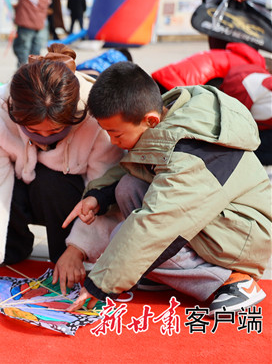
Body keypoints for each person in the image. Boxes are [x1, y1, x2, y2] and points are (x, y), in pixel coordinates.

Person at [65, 61, 271, 315]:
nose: (113, 141)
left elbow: (157, 225)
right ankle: (163, 272)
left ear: (150, 120)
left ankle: (233, 281)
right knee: (128, 186)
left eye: (116, 134)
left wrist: (100, 284)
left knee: (126, 235)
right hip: (222, 222)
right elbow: (137, 164)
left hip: (243, 238)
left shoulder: (194, 152)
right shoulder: (170, 118)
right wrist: (98, 195)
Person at [0, 44, 125, 304]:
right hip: (19, 191)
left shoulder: (97, 116)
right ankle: (14, 246)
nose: (43, 139)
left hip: (68, 200)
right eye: (34, 131)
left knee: (54, 186)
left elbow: (105, 190)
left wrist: (78, 249)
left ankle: (66, 252)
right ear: (14, 114)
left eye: (55, 131)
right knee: (4, 254)